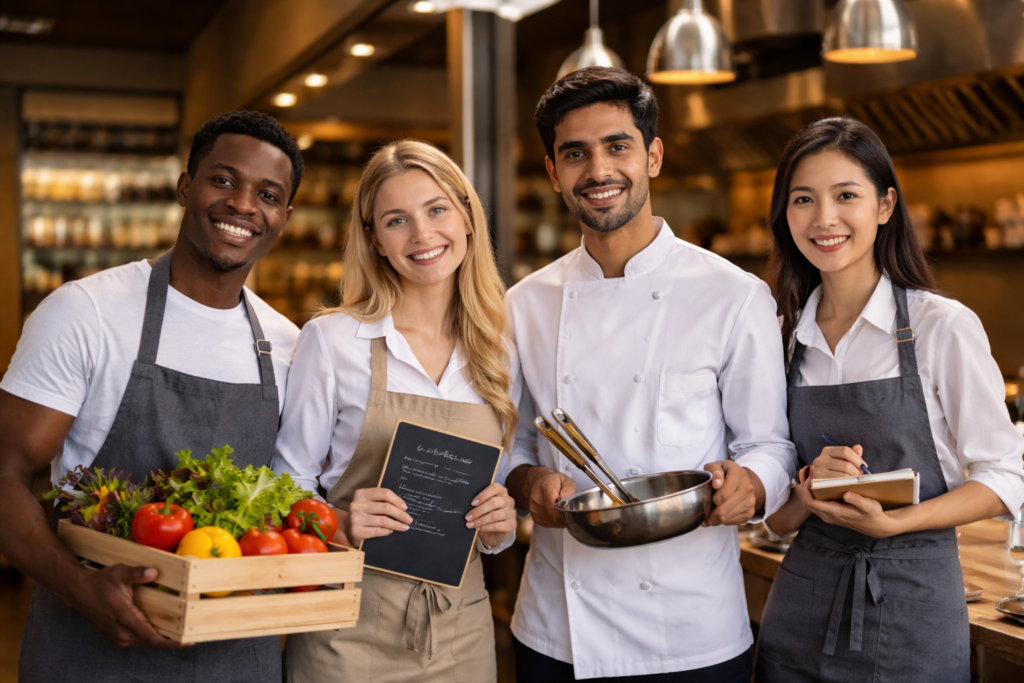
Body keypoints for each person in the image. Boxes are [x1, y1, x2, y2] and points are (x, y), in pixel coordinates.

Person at [504, 66, 797, 682]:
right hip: (559, 632)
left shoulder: (733, 295)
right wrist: (527, 480)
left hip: (692, 632)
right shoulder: (523, 303)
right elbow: (510, 447)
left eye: (618, 146)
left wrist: (754, 484)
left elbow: (769, 445)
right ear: (554, 173)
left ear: (653, 156)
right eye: (575, 154)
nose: (599, 171)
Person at [0, 110, 303, 683]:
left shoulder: (289, 347)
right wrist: (79, 587)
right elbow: (5, 472)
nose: (243, 204)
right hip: (90, 650)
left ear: (284, 217)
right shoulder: (85, 312)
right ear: (186, 186)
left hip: (236, 661)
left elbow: (297, 498)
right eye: (223, 180)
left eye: (267, 194)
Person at [754, 118, 1024, 682]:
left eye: (846, 195)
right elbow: (777, 521)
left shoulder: (941, 327)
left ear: (885, 205)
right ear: (785, 215)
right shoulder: (780, 337)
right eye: (803, 199)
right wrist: (809, 488)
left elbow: (1007, 479)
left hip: (914, 609)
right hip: (799, 609)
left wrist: (899, 524)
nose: (824, 219)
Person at [272, 139, 520, 682]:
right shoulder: (335, 340)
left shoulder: (502, 348)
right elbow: (284, 480)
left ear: (467, 217)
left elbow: (495, 491)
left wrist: (504, 522)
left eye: (436, 210)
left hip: (463, 635)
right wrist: (336, 521)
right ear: (375, 240)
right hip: (344, 631)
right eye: (396, 220)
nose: (423, 235)